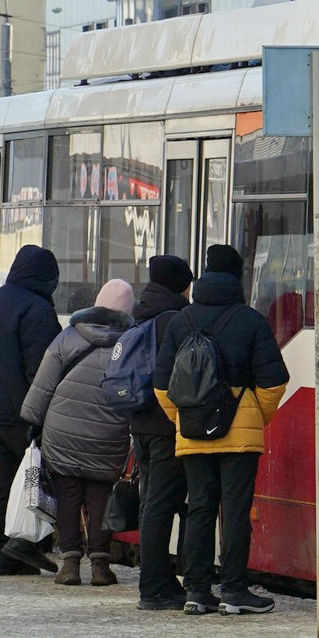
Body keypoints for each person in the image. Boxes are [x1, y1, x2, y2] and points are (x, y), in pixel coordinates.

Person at [153, 245, 290, 616]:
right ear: (238, 278)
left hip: (192, 432)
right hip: (240, 437)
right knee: (235, 511)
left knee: (198, 508)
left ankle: (196, 590)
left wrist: (183, 418)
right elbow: (274, 381)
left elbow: (162, 385)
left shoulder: (181, 320)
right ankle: (233, 590)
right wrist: (252, 416)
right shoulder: (251, 320)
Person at [20, 279, 137, 586]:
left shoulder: (68, 336)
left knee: (67, 495)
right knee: (100, 497)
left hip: (63, 430)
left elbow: (44, 384)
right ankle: (100, 565)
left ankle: (70, 563)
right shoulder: (132, 342)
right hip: (109, 432)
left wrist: (32, 419)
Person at [0, 245, 63, 576]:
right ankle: (26, 546)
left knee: (4, 485)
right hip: (24, 416)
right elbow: (41, 370)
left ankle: (1, 556)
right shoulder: (37, 309)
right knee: (37, 483)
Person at [129, 255, 195, 610]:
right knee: (160, 504)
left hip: (139, 421)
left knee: (151, 502)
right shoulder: (174, 319)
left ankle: (156, 580)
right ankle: (153, 587)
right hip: (164, 422)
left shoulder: (142, 312)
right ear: (180, 284)